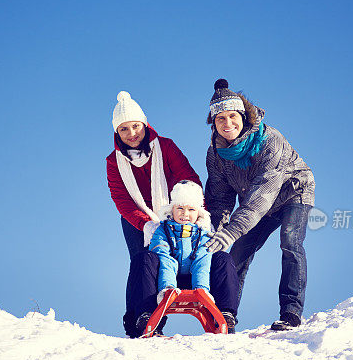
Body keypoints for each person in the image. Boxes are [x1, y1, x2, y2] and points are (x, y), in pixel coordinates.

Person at [204, 79, 315, 331]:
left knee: (290, 241)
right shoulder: (215, 154)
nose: (227, 123)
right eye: (220, 118)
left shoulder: (269, 140)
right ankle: (225, 315)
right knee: (236, 254)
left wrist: (231, 230)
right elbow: (220, 198)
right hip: (256, 206)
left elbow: (263, 193)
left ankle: (291, 313)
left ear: (243, 116)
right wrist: (215, 232)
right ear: (214, 123)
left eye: (232, 116)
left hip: (292, 192)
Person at [106, 91, 201, 336]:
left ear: (144, 123)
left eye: (135, 126)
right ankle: (139, 323)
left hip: (175, 213)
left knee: (178, 261)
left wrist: (183, 210)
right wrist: (145, 223)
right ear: (117, 133)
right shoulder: (113, 161)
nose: (132, 133)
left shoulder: (166, 147)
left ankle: (178, 305)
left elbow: (188, 178)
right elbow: (121, 198)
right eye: (124, 129)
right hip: (136, 219)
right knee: (141, 264)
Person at [129, 180, 239, 336]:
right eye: (180, 208)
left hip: (199, 280)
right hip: (165, 281)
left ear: (198, 213)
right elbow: (166, 260)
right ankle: (146, 314)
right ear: (172, 209)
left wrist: (202, 290)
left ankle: (225, 313)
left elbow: (202, 262)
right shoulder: (162, 231)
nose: (185, 214)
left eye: (191, 209)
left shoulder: (204, 234)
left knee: (223, 258)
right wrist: (167, 288)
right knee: (145, 258)